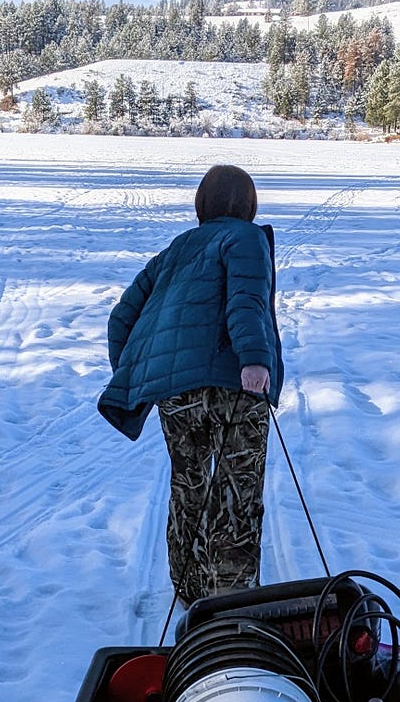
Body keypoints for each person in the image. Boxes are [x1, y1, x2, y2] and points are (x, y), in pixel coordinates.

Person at [99, 163, 283, 610]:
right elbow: (247, 301)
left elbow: (122, 316)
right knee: (237, 489)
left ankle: (190, 590)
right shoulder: (246, 238)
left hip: (177, 394)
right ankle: (231, 601)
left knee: (190, 485)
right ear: (248, 204)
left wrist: (142, 370)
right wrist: (255, 359)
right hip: (236, 384)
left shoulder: (175, 249)